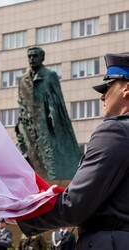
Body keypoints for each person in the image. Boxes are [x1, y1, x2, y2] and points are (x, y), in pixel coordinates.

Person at [17, 53, 129, 249]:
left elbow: (75, 205)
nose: (102, 96)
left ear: (126, 88)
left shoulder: (116, 130)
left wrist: (18, 214)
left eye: (108, 87)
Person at [15, 46, 80, 180]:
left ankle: (55, 180)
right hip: (29, 123)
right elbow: (21, 102)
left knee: (50, 153)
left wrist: (54, 117)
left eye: (35, 56)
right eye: (30, 56)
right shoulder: (22, 80)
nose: (32, 59)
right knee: (31, 153)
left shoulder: (50, 76)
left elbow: (58, 100)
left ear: (42, 58)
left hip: (47, 122)